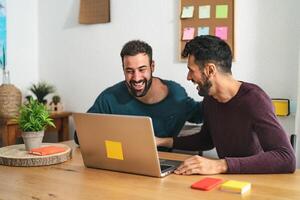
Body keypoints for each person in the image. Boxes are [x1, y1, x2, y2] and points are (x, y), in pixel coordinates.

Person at [156, 35, 296, 174]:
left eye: (191, 70)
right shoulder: (210, 99)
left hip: (256, 181)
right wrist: (162, 141)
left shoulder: (254, 99)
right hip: (228, 180)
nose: (188, 77)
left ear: (210, 70)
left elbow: (286, 158)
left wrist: (220, 165)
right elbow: (206, 140)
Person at [74, 40, 203, 150]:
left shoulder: (176, 95)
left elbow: (201, 114)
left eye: (142, 69)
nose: (136, 78)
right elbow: (80, 136)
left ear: (152, 66)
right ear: (123, 69)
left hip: (163, 168)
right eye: (129, 71)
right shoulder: (109, 98)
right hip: (119, 166)